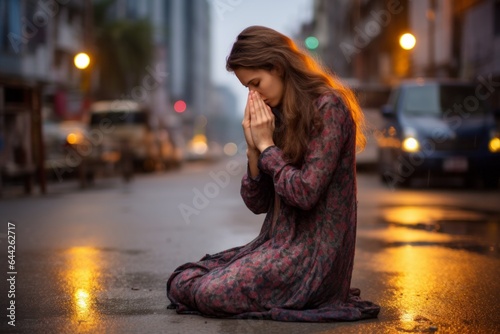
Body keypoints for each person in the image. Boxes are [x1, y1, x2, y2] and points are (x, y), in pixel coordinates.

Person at [166, 25, 380, 322]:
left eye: (256, 83)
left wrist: (267, 147)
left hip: (313, 259)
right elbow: (258, 204)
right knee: (183, 279)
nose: (254, 95)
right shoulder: (277, 116)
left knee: (208, 292)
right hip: (277, 246)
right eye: (247, 89)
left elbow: (305, 193)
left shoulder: (328, 107)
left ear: (277, 67)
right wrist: (254, 151)